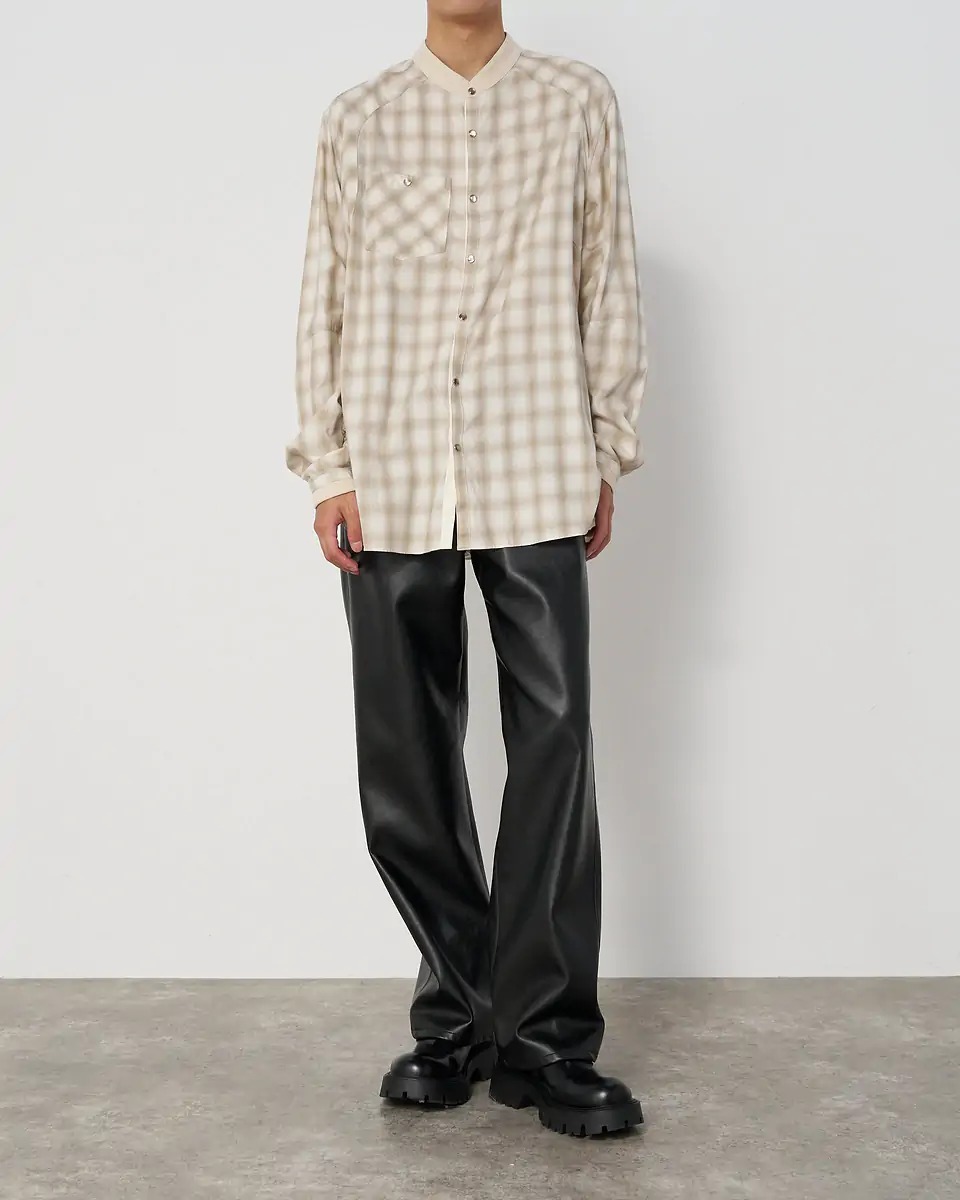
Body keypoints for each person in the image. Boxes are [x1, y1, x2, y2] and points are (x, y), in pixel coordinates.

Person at [286, 0, 647, 1138]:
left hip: (537, 459)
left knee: (555, 741)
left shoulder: (576, 101)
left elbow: (607, 275)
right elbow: (325, 294)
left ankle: (546, 1042)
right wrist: (328, 465)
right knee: (405, 758)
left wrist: (607, 446)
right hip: (390, 476)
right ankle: (456, 1017)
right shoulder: (359, 117)